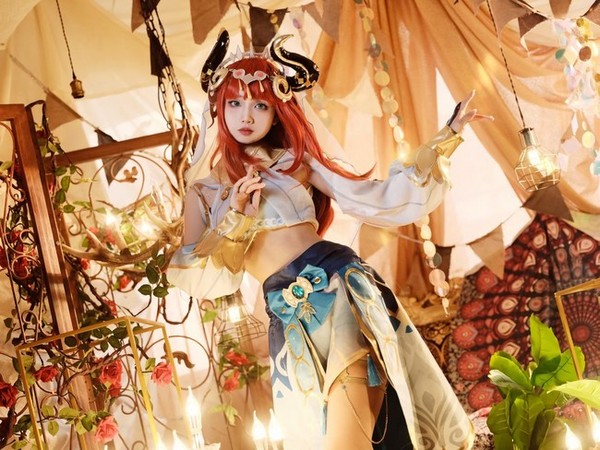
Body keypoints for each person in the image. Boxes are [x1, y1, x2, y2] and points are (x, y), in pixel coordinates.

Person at [169, 29, 492, 450]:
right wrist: (237, 220)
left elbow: (374, 197)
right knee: (330, 432)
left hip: (339, 284)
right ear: (219, 107)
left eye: (260, 105)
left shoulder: (295, 163)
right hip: (286, 311)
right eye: (235, 103)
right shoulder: (204, 193)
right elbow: (195, 275)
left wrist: (446, 137)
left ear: (277, 112)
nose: (246, 115)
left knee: (351, 424)